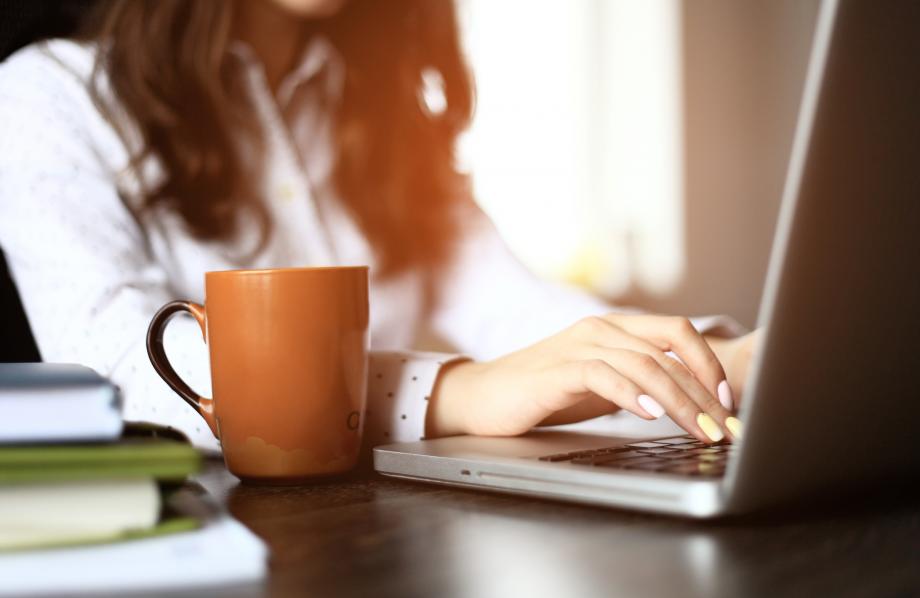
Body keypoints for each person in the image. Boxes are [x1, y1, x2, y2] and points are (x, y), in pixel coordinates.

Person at [0, 0, 758, 454]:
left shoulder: (378, 109)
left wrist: (728, 362)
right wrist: (457, 392)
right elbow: (122, 374)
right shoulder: (46, 100)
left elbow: (512, 309)